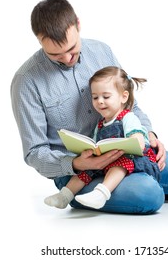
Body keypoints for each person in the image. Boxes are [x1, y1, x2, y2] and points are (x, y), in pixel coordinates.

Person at [10, 0, 168, 214]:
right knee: (149, 195)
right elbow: (34, 152)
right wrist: (76, 163)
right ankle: (120, 188)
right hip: (78, 175)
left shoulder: (101, 51)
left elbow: (131, 106)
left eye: (73, 49)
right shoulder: (26, 81)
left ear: (78, 24)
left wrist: (149, 135)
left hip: (133, 155)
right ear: (39, 40)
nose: (67, 58)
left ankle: (137, 181)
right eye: (55, 54)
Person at [44, 66, 161, 210]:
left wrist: (130, 142)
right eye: (95, 97)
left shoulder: (128, 117)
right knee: (86, 170)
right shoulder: (100, 124)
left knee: (121, 162)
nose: (99, 101)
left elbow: (139, 143)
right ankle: (65, 196)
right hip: (106, 160)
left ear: (124, 97)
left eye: (106, 97)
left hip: (133, 160)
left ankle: (101, 193)